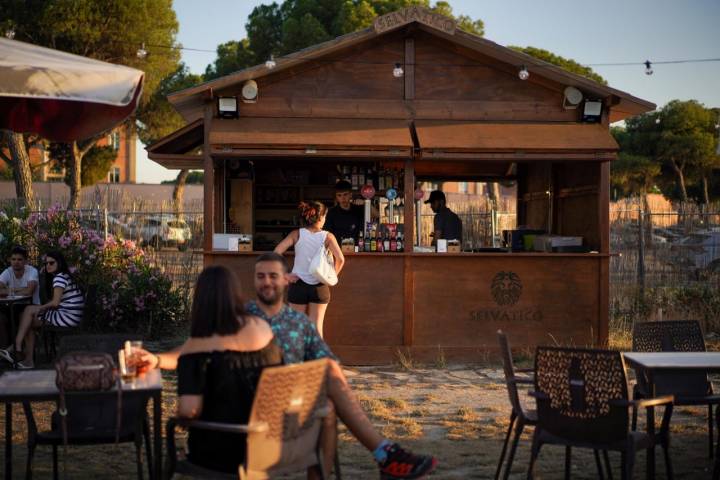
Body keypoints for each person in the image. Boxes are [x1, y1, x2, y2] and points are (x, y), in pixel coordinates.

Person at [138, 253, 437, 480]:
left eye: (272, 276)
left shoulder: (300, 324)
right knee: (329, 400)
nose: (266, 281)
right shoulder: (242, 316)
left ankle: (374, 458)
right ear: (253, 281)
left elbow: (327, 361)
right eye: (260, 276)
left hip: (288, 402)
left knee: (330, 388)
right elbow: (198, 348)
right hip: (245, 404)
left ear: (287, 280)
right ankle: (385, 453)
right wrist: (158, 359)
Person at [176, 265, 284, 474]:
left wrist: (179, 417)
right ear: (235, 294)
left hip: (220, 453)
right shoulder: (263, 329)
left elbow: (189, 410)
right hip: (268, 447)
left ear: (200, 301)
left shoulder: (194, 348)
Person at [0, 251, 84, 369]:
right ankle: (22, 354)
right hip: (71, 315)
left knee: (28, 312)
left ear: (59, 263)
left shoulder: (59, 278)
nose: (48, 266)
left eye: (51, 263)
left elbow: (55, 303)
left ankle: (17, 348)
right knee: (29, 318)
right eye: (46, 263)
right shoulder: (64, 275)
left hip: (67, 317)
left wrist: (40, 308)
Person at [274, 201, 344, 338]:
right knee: (317, 329)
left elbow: (276, 252)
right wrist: (331, 278)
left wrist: (285, 275)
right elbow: (340, 259)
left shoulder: (296, 234)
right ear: (321, 217)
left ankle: (295, 358)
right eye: (325, 217)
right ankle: (318, 359)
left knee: (295, 328)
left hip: (297, 284)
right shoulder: (328, 236)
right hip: (319, 286)